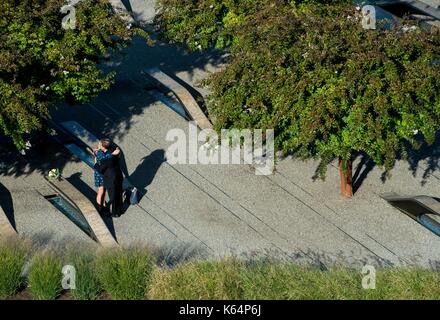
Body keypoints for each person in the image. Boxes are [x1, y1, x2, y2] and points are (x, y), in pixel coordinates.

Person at [94, 139, 123, 217]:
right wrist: (114, 153)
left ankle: (103, 207)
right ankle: (100, 209)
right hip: (101, 174)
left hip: (104, 174)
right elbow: (104, 160)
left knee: (103, 191)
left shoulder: (101, 152)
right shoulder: (102, 154)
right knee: (101, 191)